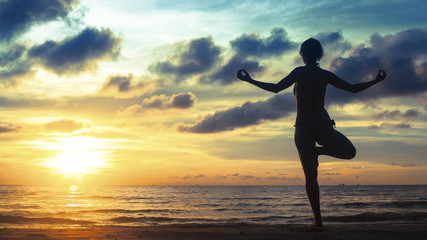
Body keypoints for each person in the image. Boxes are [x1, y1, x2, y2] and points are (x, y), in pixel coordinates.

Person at [237, 38, 386, 227]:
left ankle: (318, 219)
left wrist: (249, 80)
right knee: (349, 152)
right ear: (320, 55)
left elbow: (275, 88)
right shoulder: (325, 75)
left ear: (302, 55)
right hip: (322, 125)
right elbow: (352, 89)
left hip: (304, 128)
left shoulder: (300, 72)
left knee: (311, 176)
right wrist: (376, 80)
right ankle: (319, 157)